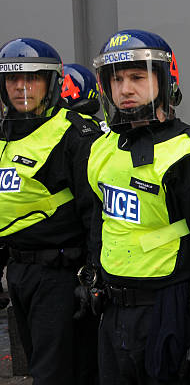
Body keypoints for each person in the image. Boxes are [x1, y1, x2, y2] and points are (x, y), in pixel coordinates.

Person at [85, 29, 190, 384]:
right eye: (116, 79)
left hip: (171, 307)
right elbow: (102, 220)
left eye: (137, 76)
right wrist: (92, 276)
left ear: (164, 80)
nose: (125, 89)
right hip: (114, 311)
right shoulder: (103, 147)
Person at [0, 38, 102, 384]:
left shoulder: (73, 134)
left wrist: (92, 275)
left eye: (32, 79)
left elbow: (94, 213)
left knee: (55, 373)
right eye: (13, 80)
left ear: (52, 83)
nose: (21, 88)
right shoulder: (4, 135)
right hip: (18, 271)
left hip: (60, 274)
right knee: (37, 365)